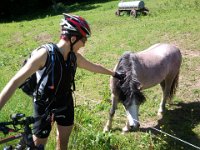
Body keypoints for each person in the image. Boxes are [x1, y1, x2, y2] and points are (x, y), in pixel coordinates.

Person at [0, 13, 125, 150]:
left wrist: (115, 74)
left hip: (65, 103)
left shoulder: (74, 57)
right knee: (38, 146)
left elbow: (95, 67)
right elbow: (14, 82)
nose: (84, 43)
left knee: (63, 144)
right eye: (83, 39)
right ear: (72, 38)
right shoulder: (44, 55)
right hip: (44, 105)